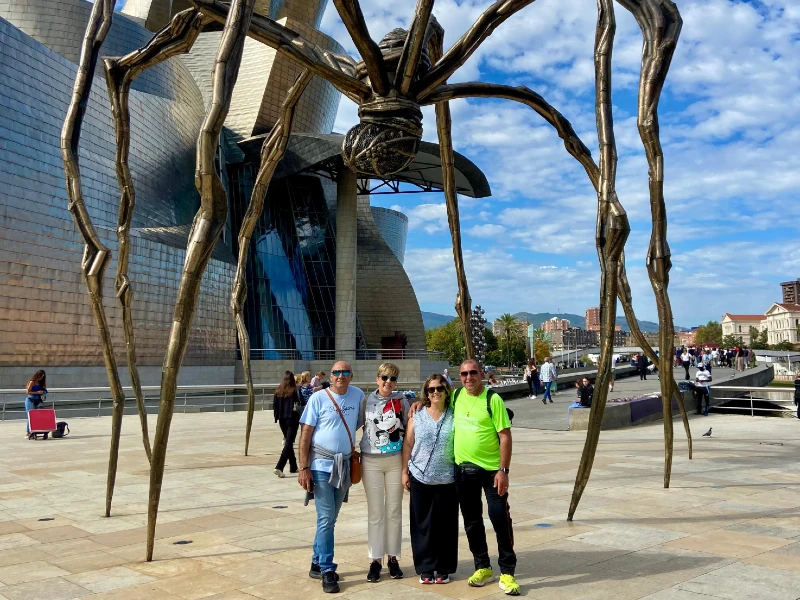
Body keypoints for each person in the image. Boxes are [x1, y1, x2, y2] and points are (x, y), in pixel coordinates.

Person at [448, 360, 519, 595]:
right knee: (471, 521)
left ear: (481, 374)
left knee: (499, 518)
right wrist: (418, 404)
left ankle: (507, 571)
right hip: (464, 470)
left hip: (492, 472)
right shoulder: (456, 396)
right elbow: (434, 401)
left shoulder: (492, 399)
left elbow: (505, 436)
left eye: (473, 373)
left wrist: (503, 471)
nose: (469, 377)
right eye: (464, 374)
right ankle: (483, 566)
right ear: (459, 376)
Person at [298, 362, 366, 593]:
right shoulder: (318, 398)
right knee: (326, 517)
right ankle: (328, 569)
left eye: (345, 372)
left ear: (351, 375)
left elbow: (369, 415)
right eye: (336, 372)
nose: (340, 376)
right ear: (331, 375)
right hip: (321, 465)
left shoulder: (358, 395)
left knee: (330, 518)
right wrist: (303, 467)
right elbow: (305, 433)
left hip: (344, 464)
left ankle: (316, 562)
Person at [402, 374, 457, 585]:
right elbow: (408, 445)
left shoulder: (454, 414)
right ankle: (426, 567)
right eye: (431, 389)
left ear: (446, 391)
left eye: (439, 389)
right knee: (422, 525)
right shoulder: (417, 415)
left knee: (446, 526)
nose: (435, 393)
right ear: (426, 392)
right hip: (420, 476)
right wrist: (404, 472)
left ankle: (443, 567)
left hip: (447, 478)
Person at [360, 363, 409, 582]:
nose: (388, 382)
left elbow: (410, 428)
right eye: (384, 377)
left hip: (395, 460)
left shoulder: (402, 401)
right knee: (376, 512)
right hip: (370, 460)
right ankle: (375, 559)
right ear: (377, 378)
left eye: (392, 378)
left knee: (394, 511)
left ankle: (393, 558)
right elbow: (355, 423)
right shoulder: (366, 400)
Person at [273, 371, 302, 478]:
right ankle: (279, 467)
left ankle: (293, 466)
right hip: (292, 419)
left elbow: (275, 406)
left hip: (282, 420)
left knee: (288, 441)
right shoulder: (294, 390)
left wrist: (277, 418)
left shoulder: (278, 390)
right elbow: (300, 403)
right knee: (289, 443)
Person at [25, 370, 47, 439]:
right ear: (37, 375)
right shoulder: (32, 382)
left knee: (38, 415)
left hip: (38, 400)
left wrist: (43, 395)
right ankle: (28, 432)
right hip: (30, 400)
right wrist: (37, 392)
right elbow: (28, 392)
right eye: (40, 376)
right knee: (30, 415)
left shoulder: (42, 383)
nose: (40, 378)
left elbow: (44, 391)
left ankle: (36, 430)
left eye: (42, 377)